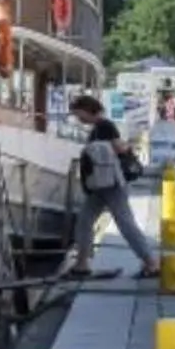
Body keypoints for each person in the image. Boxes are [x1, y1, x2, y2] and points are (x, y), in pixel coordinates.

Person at [66, 93, 157, 279]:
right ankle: (81, 264)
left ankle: (151, 263)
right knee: (84, 221)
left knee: (125, 223)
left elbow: (120, 147)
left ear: (87, 110)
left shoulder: (105, 126)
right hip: (99, 184)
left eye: (78, 114)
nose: (78, 118)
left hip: (111, 184)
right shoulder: (98, 128)